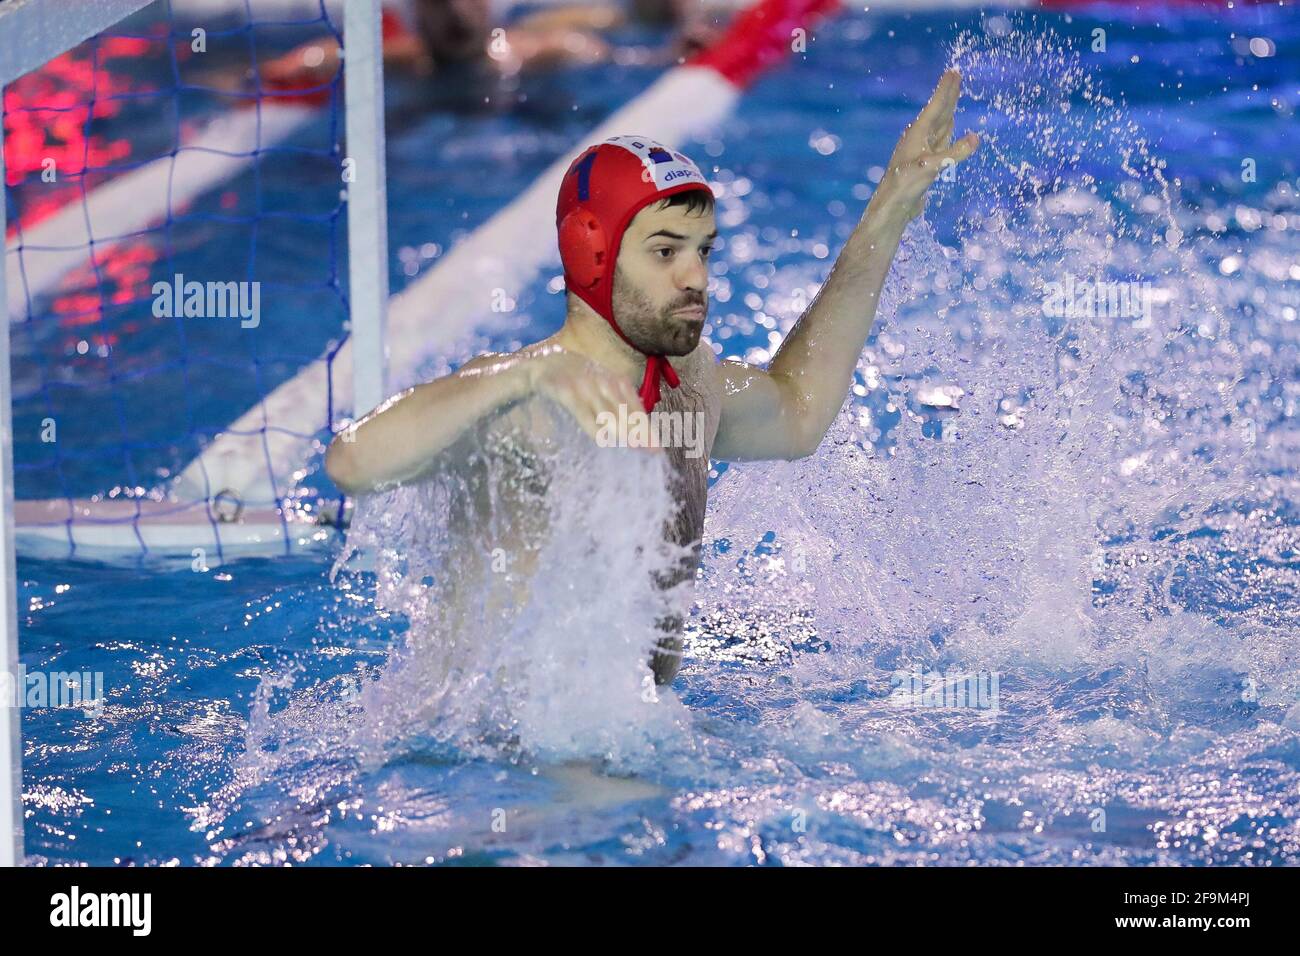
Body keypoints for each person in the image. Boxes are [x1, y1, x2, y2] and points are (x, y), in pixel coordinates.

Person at [326, 69, 980, 685]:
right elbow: (353, 463)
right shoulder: (521, 401)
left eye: (702, 251)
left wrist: (886, 215)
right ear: (593, 250)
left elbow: (798, 411)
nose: (695, 276)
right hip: (494, 767)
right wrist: (518, 375)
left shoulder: (689, 386)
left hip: (631, 739)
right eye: (665, 251)